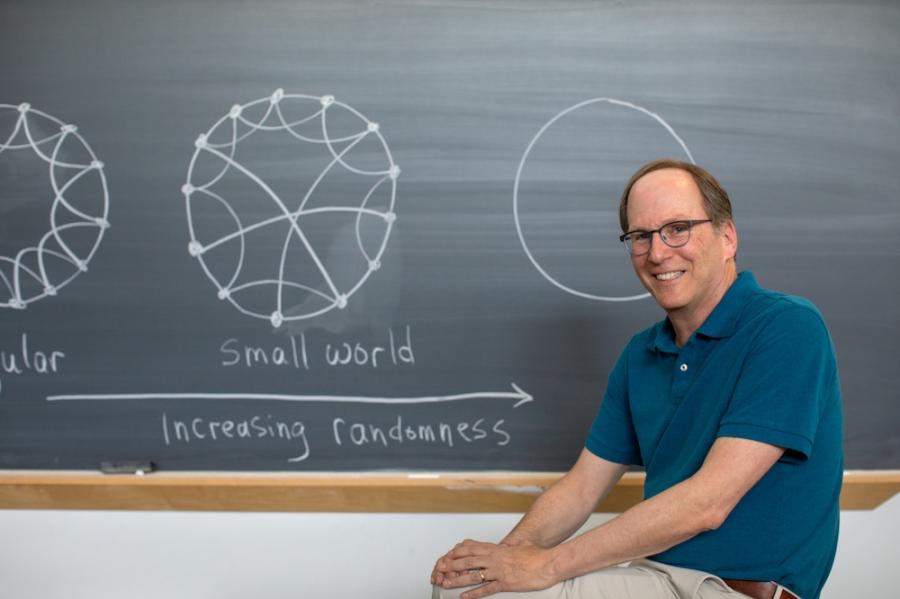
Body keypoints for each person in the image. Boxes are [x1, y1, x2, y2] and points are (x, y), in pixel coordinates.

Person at [430, 159, 843, 599]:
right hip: (656, 575)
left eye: (678, 228)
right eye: (640, 236)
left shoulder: (786, 327)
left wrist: (546, 565)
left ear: (727, 237)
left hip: (730, 589)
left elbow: (706, 504)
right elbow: (581, 486)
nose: (658, 252)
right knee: (465, 593)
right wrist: (505, 559)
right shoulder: (640, 354)